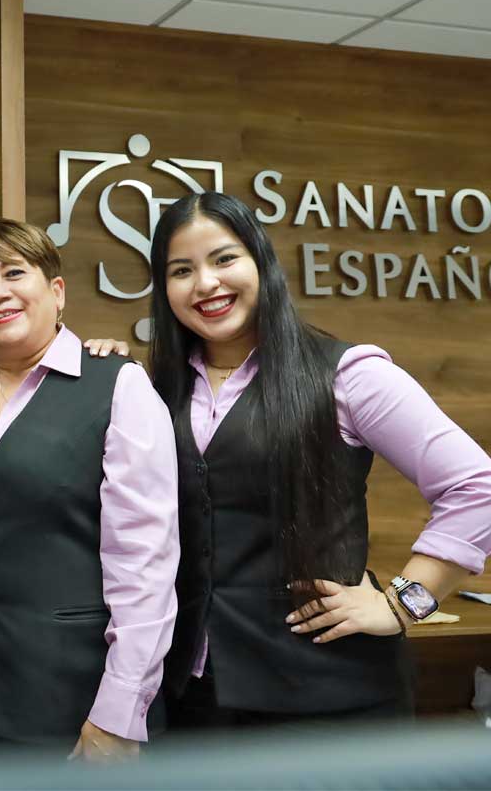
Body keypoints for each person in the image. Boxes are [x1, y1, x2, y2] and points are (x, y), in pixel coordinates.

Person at [143, 191, 491, 727]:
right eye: (181, 269)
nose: (206, 283)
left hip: (329, 699)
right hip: (191, 697)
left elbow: (476, 485)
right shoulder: (155, 391)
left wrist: (406, 602)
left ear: (262, 262)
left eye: (224, 259)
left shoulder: (349, 375)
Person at [0, 218, 179, 761]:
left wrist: (120, 711)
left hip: (75, 705)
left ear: (56, 292)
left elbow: (146, 563)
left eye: (15, 272)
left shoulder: (119, 386)